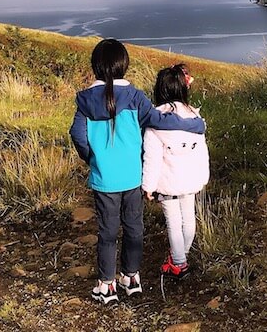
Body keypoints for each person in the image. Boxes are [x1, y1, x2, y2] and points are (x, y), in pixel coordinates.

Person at [69, 39, 206, 305]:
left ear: (95, 66)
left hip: (104, 179)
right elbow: (158, 120)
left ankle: (106, 285)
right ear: (124, 65)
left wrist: (92, 158)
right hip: (133, 177)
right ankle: (131, 278)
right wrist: (194, 124)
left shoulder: (85, 100)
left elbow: (78, 135)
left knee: (108, 233)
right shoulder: (135, 97)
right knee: (134, 229)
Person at [141, 64, 210, 280]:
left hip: (167, 182)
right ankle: (181, 256)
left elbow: (151, 158)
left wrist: (148, 187)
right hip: (190, 180)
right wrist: (203, 177)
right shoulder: (195, 118)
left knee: (173, 221)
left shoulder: (154, 121)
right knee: (189, 219)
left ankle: (179, 263)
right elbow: (202, 153)